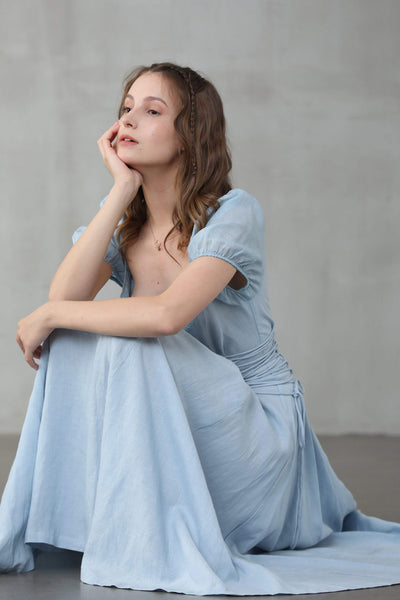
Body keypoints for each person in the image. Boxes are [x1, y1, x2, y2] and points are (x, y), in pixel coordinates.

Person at [0, 62, 399, 596]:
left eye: (152, 110)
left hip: (254, 436)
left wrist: (49, 316)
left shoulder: (233, 213)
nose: (128, 120)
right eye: (126, 108)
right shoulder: (128, 221)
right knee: (75, 337)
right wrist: (120, 190)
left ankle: (147, 534)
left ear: (190, 133)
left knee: (130, 338)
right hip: (179, 422)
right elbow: (64, 298)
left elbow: (166, 316)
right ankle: (61, 523)